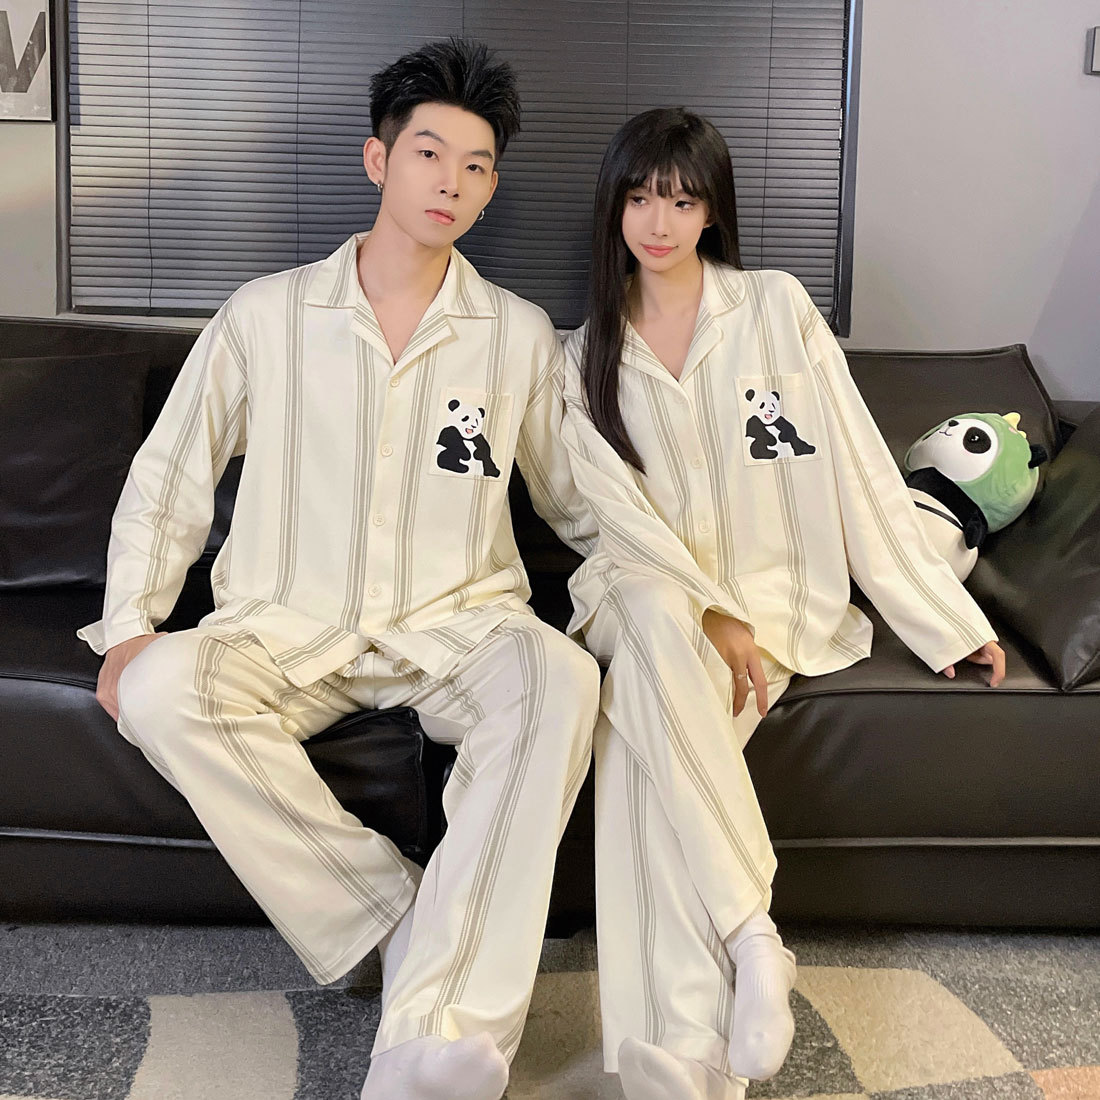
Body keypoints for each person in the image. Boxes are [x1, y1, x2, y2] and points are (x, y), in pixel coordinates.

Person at [79, 38, 600, 1100]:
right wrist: (130, 620)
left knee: (561, 678)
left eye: (476, 165)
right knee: (159, 686)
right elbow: (173, 472)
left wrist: (672, 591)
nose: (450, 181)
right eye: (428, 153)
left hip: (456, 626)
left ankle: (441, 1040)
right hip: (285, 623)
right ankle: (404, 928)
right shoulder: (266, 315)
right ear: (378, 160)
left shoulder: (515, 335)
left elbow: (579, 500)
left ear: (490, 187)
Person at [560, 107, 1006, 1100]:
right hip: (642, 591)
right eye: (640, 197)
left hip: (772, 598)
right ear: (613, 206)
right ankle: (751, 934)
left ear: (713, 211)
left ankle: (675, 1062)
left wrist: (941, 618)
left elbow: (853, 462)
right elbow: (611, 513)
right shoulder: (583, 350)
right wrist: (706, 608)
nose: (659, 221)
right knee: (652, 615)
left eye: (682, 200)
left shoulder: (774, 308)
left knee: (639, 747)